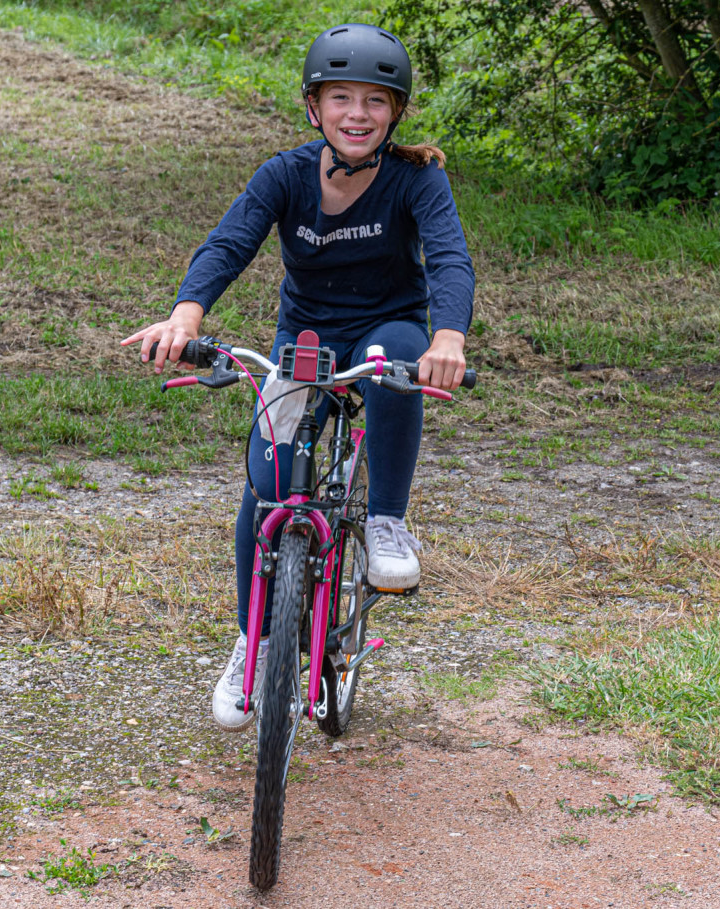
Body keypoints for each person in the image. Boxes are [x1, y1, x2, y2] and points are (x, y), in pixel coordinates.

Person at [121, 24, 475, 730]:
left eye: (374, 100)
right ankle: (252, 641)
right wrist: (186, 317)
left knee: (392, 363)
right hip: (307, 339)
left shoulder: (417, 179)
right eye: (340, 97)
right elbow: (228, 243)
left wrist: (448, 337)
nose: (356, 114)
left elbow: (448, 258)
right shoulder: (283, 175)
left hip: (389, 327)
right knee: (267, 487)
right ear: (313, 107)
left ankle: (385, 522)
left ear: (396, 112)